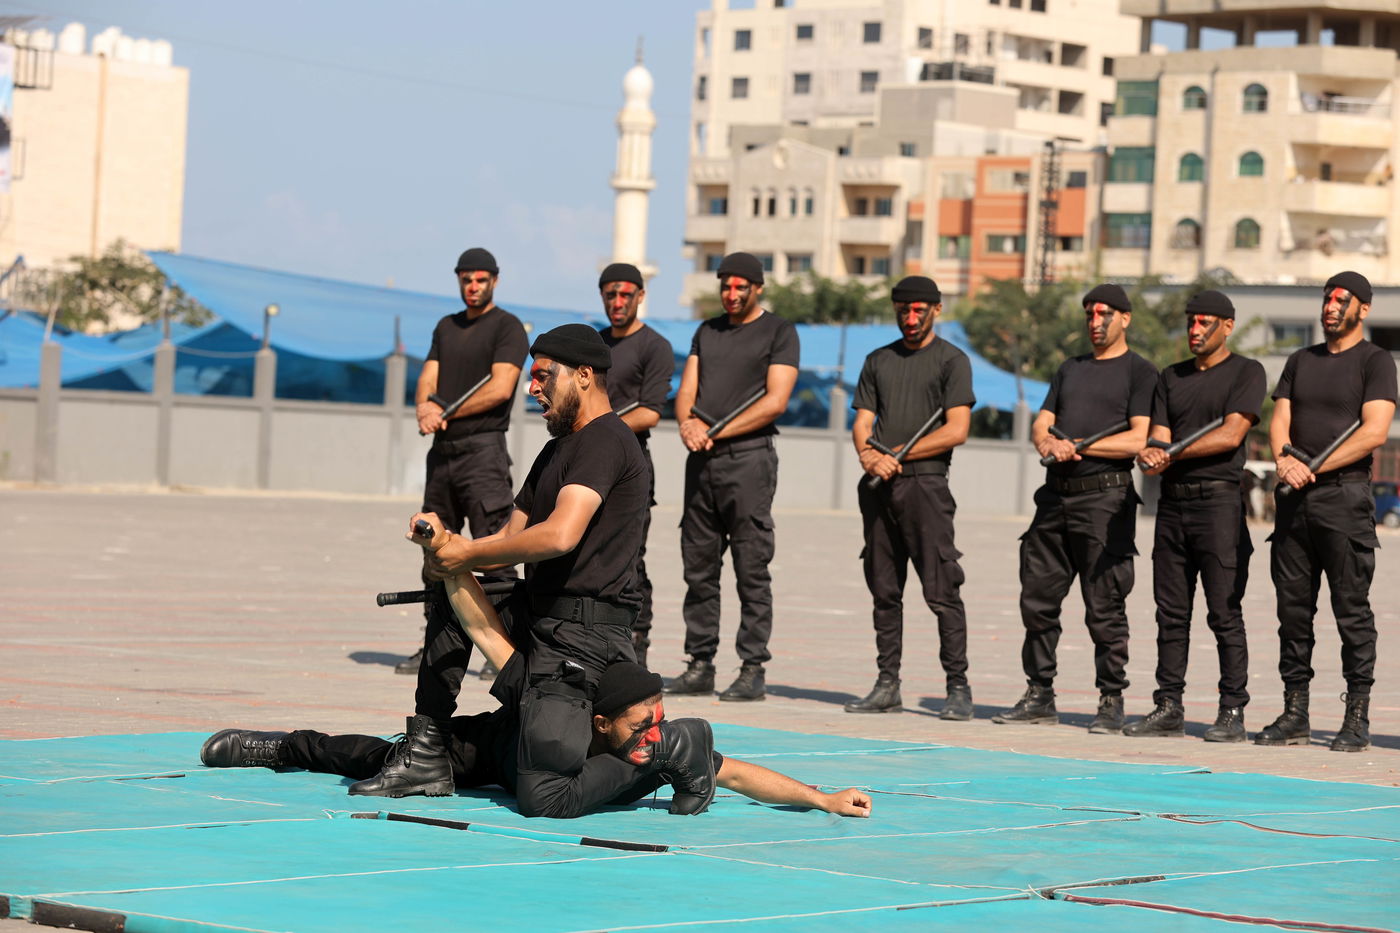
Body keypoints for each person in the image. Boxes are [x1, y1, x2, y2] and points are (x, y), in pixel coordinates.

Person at [355, 324, 708, 818]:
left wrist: (466, 557)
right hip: (544, 613)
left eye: (544, 376)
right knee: (451, 600)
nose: (532, 387)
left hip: (586, 634)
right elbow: (504, 543)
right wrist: (449, 544)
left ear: (584, 376)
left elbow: (560, 534)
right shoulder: (557, 448)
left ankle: (672, 750)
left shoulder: (606, 439)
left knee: (543, 798)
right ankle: (428, 751)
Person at [201, 650, 872, 820]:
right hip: (495, 749)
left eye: (661, 716)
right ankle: (281, 746)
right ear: (599, 721)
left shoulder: (652, 743)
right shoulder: (561, 728)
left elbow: (734, 770)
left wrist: (822, 798)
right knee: (380, 753)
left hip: (550, 782)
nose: (654, 731)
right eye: (643, 721)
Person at [994, 283, 1156, 734]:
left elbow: (1140, 438)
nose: (1095, 321)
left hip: (1105, 499)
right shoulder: (1070, 369)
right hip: (1055, 497)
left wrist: (1082, 447)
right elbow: (1042, 421)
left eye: (1104, 313)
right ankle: (1039, 693)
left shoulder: (1139, 373)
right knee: (1038, 600)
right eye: (1089, 313)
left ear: (1125, 318)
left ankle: (1110, 699)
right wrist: (1047, 441)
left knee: (1104, 604)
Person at [1259, 271, 1397, 752]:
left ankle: (1355, 716)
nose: (1331, 307)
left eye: (1342, 300)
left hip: (1344, 498)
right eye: (1326, 300)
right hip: (1294, 502)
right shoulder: (1300, 360)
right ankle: (1295, 712)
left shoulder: (1376, 361)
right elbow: (1280, 418)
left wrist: (1310, 467)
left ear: (1363, 309)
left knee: (1351, 612)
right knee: (1292, 612)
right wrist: (1284, 461)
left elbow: (1374, 431)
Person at [1128, 290, 1266, 743]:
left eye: (1205, 322)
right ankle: (1168, 706)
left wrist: (1170, 451)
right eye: (1190, 322)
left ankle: (1232, 710)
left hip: (1219, 504)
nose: (1195, 330)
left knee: (1224, 612)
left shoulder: (1247, 372)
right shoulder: (1170, 377)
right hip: (1172, 505)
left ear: (1227, 326)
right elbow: (1160, 434)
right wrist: (1153, 452)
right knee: (1171, 612)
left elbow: (1231, 434)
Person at [666, 252, 799, 702]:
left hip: (748, 460)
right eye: (726, 286)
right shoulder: (707, 331)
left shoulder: (779, 332)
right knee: (698, 567)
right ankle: (700, 663)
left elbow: (775, 400)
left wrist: (714, 431)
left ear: (757, 288)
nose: (733, 293)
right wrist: (687, 424)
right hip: (700, 462)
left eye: (742, 286)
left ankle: (751, 667)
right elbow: (687, 389)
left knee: (750, 567)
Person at [846, 275, 976, 719]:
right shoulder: (877, 360)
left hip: (926, 486)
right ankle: (887, 684)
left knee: (942, 589)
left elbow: (956, 428)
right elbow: (862, 421)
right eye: (904, 308)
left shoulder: (952, 361)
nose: (911, 316)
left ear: (936, 310)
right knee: (884, 588)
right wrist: (869, 456)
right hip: (878, 484)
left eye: (920, 309)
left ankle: (957, 686)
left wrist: (898, 455)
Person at [397, 247, 528, 678]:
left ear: (494, 280)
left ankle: (505, 649)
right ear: (458, 280)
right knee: (432, 544)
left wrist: (443, 412)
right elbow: (428, 378)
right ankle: (432, 644)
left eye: (480, 279)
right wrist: (422, 408)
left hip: (483, 451)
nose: (473, 286)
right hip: (444, 454)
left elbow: (502, 386)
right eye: (466, 279)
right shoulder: (446, 327)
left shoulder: (506, 327)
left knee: (495, 549)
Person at [596, 262, 675, 669]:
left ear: (641, 296)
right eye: (610, 294)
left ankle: (635, 646)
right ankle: (592, 642)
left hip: (630, 467)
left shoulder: (655, 346)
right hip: (589, 465)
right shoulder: (592, 344)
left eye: (626, 294)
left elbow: (649, 412)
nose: (618, 301)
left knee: (630, 560)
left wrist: (598, 430)